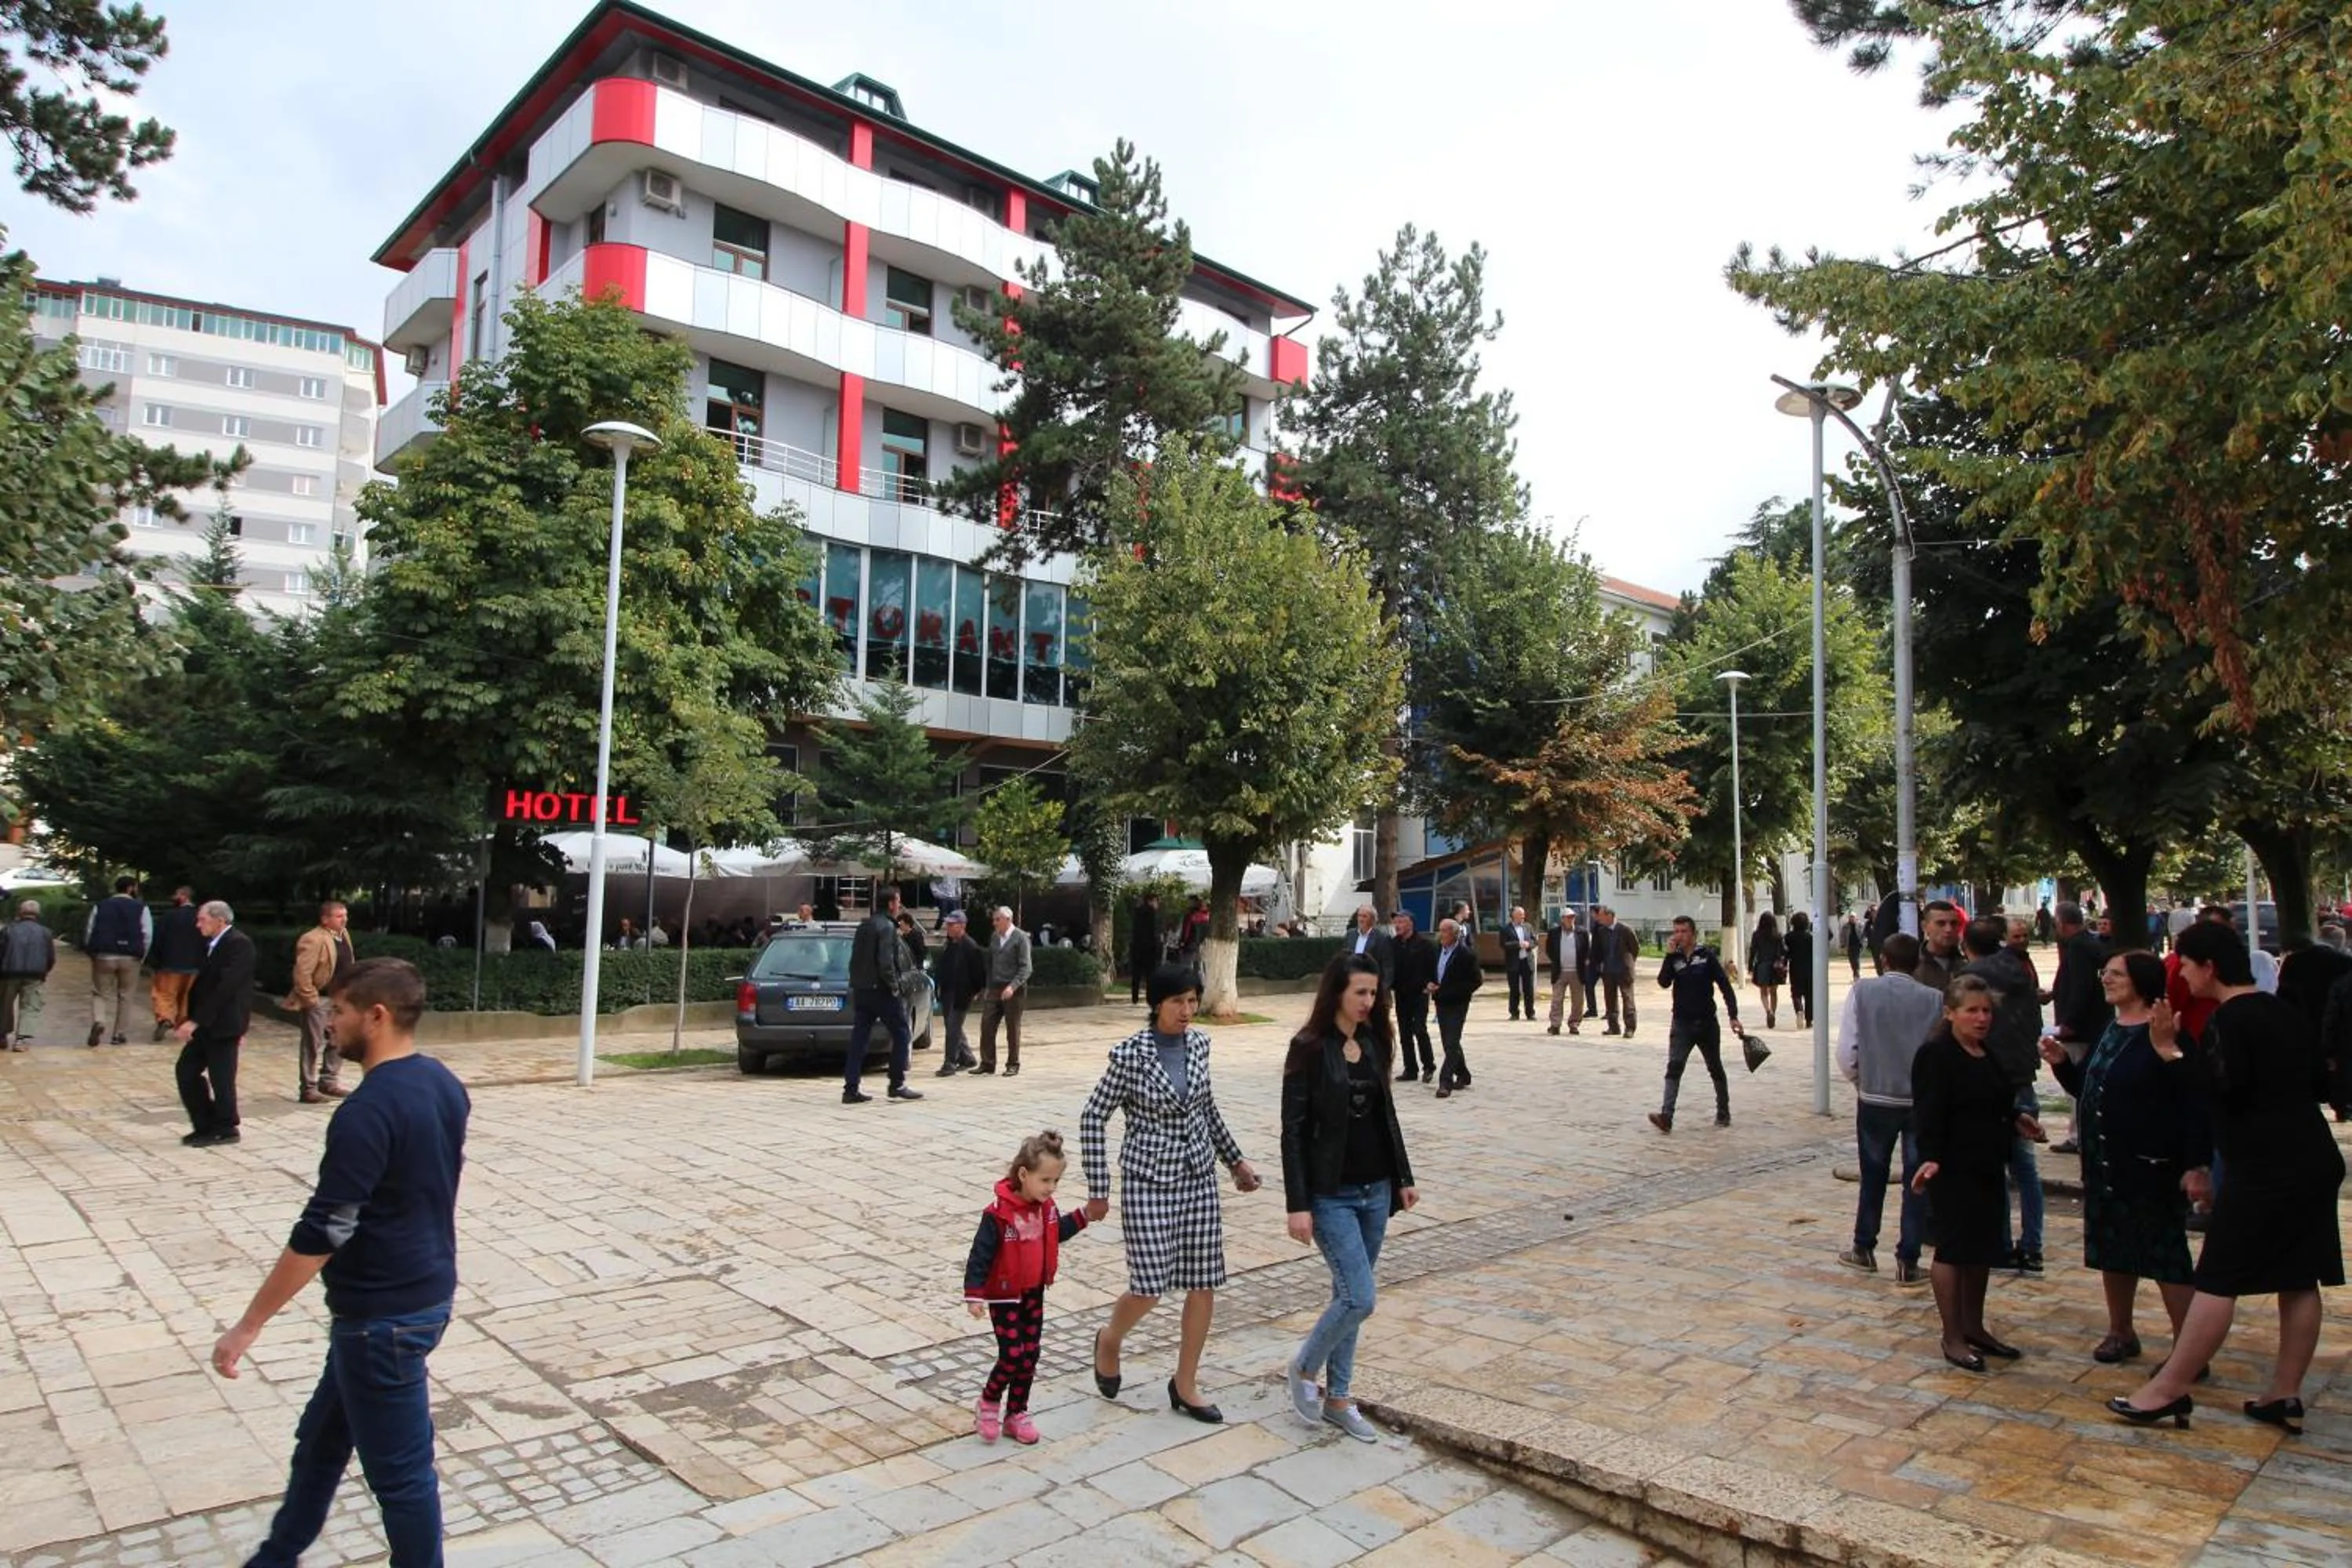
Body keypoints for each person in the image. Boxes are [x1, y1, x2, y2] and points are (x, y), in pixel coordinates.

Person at [213, 958, 470, 1568]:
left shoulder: (366, 1112)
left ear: (377, 1016)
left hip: (385, 1318)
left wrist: (249, 1324)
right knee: (322, 1443)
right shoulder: (442, 1083)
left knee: (402, 1477)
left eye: (340, 1010)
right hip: (413, 1295)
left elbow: (325, 1228)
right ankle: (276, 1556)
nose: (329, 1022)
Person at [2111, 923, 2346, 1433]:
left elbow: (2219, 1091)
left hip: (2266, 1167)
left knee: (2217, 1278)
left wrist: (2170, 1051)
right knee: (2300, 1276)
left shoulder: (2230, 1019)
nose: (2184, 977)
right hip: (2313, 1156)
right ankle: (2284, 1394)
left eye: (2187, 967)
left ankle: (2168, 1389)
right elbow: (2315, 1082)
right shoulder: (2283, 1009)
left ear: (2210, 967)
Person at [1081, 962, 1261, 1424]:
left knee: (1204, 1282)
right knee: (1149, 1285)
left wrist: (1236, 1161)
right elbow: (1092, 1117)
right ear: (1157, 1004)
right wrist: (1099, 1189)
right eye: (1178, 1001)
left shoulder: (1200, 1044)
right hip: (1148, 1182)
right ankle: (1110, 1339)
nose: (1187, 1010)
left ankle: (1185, 1383)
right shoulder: (1130, 1055)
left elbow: (1206, 1110)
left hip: (1198, 1178)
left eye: (1192, 1000)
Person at [2040, 950, 2203, 1365]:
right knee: (2111, 1250)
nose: (2106, 980)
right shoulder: (2109, 1028)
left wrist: (2194, 1164)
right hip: (2103, 1163)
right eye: (2105, 972)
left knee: (2166, 1257)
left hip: (2149, 1164)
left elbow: (2191, 1098)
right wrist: (2062, 1065)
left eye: (2115, 974)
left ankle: (2190, 1350)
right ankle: (2121, 1331)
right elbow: (2093, 1091)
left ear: (2141, 982)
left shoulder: (2163, 1028)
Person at [1280, 953, 1418, 1443]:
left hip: (1376, 1189)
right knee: (1360, 1296)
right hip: (1330, 1193)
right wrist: (1298, 1203)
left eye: (1373, 992)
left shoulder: (1377, 1042)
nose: (1368, 1001)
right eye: (1359, 992)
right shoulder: (1309, 1048)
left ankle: (1339, 1398)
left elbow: (1388, 1116)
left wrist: (1402, 1175)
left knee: (1350, 1300)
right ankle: (1304, 1368)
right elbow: (1293, 1132)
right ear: (1337, 991)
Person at [1912, 975, 2045, 1371]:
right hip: (1952, 1167)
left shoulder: (1986, 1051)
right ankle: (1952, 1334)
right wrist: (1930, 1157)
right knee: (1954, 1249)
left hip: (1988, 1164)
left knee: (1981, 1248)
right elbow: (1929, 1111)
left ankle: (1974, 1326)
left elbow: (1995, 1100)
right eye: (1972, 1010)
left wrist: (2018, 1119)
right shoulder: (1936, 1055)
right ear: (1951, 1013)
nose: (1982, 1018)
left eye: (1986, 1010)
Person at [963, 1130, 1091, 1446]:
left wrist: (1084, 1216)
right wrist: (975, 1293)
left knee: (1030, 1354)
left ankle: (1017, 1413)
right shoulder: (998, 1214)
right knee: (1012, 1354)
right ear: (1024, 1174)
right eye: (1045, 1180)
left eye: (1056, 1182)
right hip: (1005, 1296)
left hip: (1033, 1294)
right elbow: (980, 1254)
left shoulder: (1046, 1209)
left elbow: (1056, 1232)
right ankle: (989, 1402)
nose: (1051, 1188)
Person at [1836, 934, 1946, 1280]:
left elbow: (1846, 1051)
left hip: (1875, 1098)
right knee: (1916, 1181)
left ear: (1883, 959)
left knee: (1873, 1175)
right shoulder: (1934, 999)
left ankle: (1863, 1246)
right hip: (1917, 1101)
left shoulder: (1863, 991)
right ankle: (1908, 1260)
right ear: (1917, 962)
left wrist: (1862, 1081)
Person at [1958, 916, 2049, 1275]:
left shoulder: (1971, 981)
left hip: (1990, 1079)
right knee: (2026, 1169)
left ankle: (1998, 1244)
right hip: (2023, 1076)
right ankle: (2033, 1246)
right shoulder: (2021, 970)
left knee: (1993, 1169)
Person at [1648, 915, 1745, 1134]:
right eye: (1676, 931)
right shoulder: (1675, 959)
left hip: (1706, 1024)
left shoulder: (1706, 956)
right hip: (1682, 1023)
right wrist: (1668, 957)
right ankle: (1667, 1116)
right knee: (1674, 1068)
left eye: (1683, 931)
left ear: (1693, 934)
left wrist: (1733, 1015)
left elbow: (1724, 986)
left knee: (1715, 1067)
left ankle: (1723, 1111)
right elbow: (1663, 982)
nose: (1679, 936)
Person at [175, 901, 256, 1147]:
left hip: (224, 1023)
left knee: (222, 1079)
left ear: (220, 920)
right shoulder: (212, 943)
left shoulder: (239, 944)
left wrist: (195, 1021)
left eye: (203, 920)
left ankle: (226, 1127)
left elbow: (226, 987)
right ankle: (205, 1123)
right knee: (186, 1071)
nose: (198, 924)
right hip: (208, 1024)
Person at [843, 889, 922, 1105]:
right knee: (902, 1032)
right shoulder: (887, 927)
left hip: (862, 989)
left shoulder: (864, 926)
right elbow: (886, 961)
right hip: (881, 990)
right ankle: (896, 1084)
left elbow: (855, 959)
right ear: (890, 904)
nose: (899, 905)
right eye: (897, 901)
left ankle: (851, 1088)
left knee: (859, 1038)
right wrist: (894, 987)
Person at [2047, 899, 2112, 1153]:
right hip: (2092, 1025)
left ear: (2062, 923)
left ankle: (2079, 1137)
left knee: (2075, 1082)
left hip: (2081, 1029)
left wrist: (2069, 1023)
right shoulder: (2089, 943)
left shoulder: (2077, 948)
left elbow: (2081, 988)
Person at [285, 901, 357, 1105]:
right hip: (320, 998)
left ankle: (329, 1081)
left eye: (345, 915)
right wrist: (311, 999)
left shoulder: (344, 935)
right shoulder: (313, 938)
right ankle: (308, 1088)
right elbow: (302, 972)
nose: (345, 919)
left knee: (338, 1039)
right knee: (312, 1043)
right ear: (325, 919)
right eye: (339, 916)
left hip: (340, 998)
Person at [84, 874, 151, 1047]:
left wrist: (92, 951)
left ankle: (99, 1020)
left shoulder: (101, 906)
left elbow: (90, 929)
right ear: (131, 888)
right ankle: (119, 1034)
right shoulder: (141, 907)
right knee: (126, 995)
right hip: (130, 957)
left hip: (104, 955)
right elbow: (147, 934)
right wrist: (142, 956)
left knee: (100, 993)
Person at [1428, 916, 1483, 1098]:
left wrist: (1453, 991)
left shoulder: (1466, 955)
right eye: (1440, 930)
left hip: (1457, 1004)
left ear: (1454, 934)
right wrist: (1430, 985)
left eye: (1444, 931)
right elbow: (1431, 972)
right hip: (1441, 1002)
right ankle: (1464, 1074)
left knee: (1451, 1043)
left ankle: (1445, 1082)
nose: (1440, 934)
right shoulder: (1436, 950)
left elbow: (1476, 981)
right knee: (1449, 1042)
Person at [977, 906, 1032, 1076]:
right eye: (994, 920)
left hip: (1013, 989)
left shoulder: (1020, 938)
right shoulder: (995, 937)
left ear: (1008, 920)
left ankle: (1013, 1063)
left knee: (1012, 1028)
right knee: (987, 1024)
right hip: (995, 987)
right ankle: (987, 1062)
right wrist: (987, 987)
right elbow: (990, 964)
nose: (994, 924)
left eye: (997, 920)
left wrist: (1013, 986)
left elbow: (1026, 968)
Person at [931, 910, 986, 1076]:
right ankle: (967, 1058)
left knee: (953, 1028)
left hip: (962, 994)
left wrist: (977, 990)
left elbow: (979, 972)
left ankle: (950, 1063)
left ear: (962, 926)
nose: (948, 928)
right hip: (948, 992)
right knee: (952, 1025)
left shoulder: (970, 946)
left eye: (952, 924)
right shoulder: (950, 944)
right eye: (947, 924)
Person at [1, 899, 59, 1051]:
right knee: (30, 1006)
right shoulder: (46, 932)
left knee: (4, 1005)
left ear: (20, 912)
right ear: (38, 914)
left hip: (9, 972)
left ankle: (2, 1035)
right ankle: (22, 1040)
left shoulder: (8, 930)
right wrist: (45, 970)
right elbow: (50, 956)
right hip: (35, 973)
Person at [149, 886, 204, 1040]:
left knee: (164, 994)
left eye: (176, 894)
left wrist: (155, 961)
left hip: (169, 963)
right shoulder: (200, 917)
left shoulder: (168, 916)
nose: (173, 897)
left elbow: (157, 939)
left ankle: (165, 1018)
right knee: (187, 996)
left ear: (184, 896)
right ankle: (183, 1023)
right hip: (195, 964)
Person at [1389, 909, 1438, 1083]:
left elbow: (1434, 968)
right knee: (1404, 1033)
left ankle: (1429, 1065)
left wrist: (1431, 983)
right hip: (1401, 994)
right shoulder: (1394, 944)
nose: (1397, 925)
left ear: (1410, 923)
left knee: (1419, 1029)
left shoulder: (1425, 944)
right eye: (1396, 922)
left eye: (1401, 922)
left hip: (1419, 994)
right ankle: (1410, 1069)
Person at [1592, 906, 1639, 1036]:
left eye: (1601, 916)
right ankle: (1613, 1027)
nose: (1598, 918)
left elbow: (1635, 948)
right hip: (1608, 970)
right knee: (1610, 1000)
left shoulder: (1625, 930)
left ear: (1610, 916)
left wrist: (1629, 962)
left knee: (1628, 999)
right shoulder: (1602, 931)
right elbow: (1599, 950)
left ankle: (1630, 1028)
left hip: (1624, 970)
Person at [1545, 907, 1584, 1036]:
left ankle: (1574, 1023)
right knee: (1557, 999)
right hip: (1560, 971)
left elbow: (1587, 950)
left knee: (1578, 1000)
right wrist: (1557, 962)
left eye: (1573, 917)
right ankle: (1555, 1025)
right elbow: (1549, 950)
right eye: (1568, 917)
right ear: (1562, 919)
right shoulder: (1554, 933)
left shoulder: (1581, 932)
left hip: (1577, 972)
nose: (1571, 920)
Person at [1914, 900, 1964, 996]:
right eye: (1941, 923)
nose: (1949, 929)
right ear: (1924, 926)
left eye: (1953, 923)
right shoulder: (1913, 965)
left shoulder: (1966, 964)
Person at [1344, 905, 1395, 998]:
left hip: (1372, 986)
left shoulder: (1381, 938)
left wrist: (1383, 988)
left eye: (1364, 916)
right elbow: (1344, 958)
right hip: (1353, 984)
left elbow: (1387, 966)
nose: (1361, 919)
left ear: (1372, 919)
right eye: (1359, 916)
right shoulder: (1350, 935)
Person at [1748, 912, 1786, 1030]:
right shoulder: (1778, 935)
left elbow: (1753, 951)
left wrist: (1750, 966)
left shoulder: (1757, 935)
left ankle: (1768, 1011)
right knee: (1774, 992)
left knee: (1764, 992)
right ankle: (1773, 1012)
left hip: (1762, 965)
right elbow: (1783, 951)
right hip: (1775, 967)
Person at [1499, 905, 1537, 1022]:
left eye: (1523, 915)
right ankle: (1514, 1013)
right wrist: (1518, 944)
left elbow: (1534, 941)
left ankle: (1530, 1013)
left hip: (1527, 961)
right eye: (1521, 915)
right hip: (1514, 962)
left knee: (1529, 989)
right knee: (1514, 989)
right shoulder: (1506, 929)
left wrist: (1528, 945)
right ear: (1514, 916)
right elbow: (1503, 945)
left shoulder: (1528, 927)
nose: (1523, 917)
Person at [1128, 892, 1161, 1005]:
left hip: (1137, 947)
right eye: (1156, 901)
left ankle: (1135, 997)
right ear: (1151, 901)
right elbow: (1154, 932)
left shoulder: (1136, 913)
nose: (1157, 904)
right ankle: (1149, 997)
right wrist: (1157, 948)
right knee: (1150, 975)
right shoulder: (1153, 914)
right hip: (1150, 949)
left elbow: (1134, 931)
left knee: (1136, 974)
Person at [1785, 912, 1816, 1029]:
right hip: (1810, 968)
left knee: (1796, 993)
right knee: (1810, 995)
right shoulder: (1810, 938)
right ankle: (1809, 1020)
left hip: (1795, 968)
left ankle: (1799, 1010)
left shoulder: (1788, 937)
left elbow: (1785, 953)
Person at [1842, 913, 1864, 982]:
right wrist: (1842, 944)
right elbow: (1842, 935)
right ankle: (1855, 973)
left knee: (1856, 960)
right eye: (1851, 917)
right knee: (1852, 961)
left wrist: (1864, 943)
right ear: (1849, 918)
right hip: (1849, 945)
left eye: (1853, 917)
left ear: (1856, 917)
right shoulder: (1845, 926)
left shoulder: (1860, 925)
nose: (1852, 918)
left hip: (1858, 945)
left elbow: (1864, 934)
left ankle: (1857, 976)